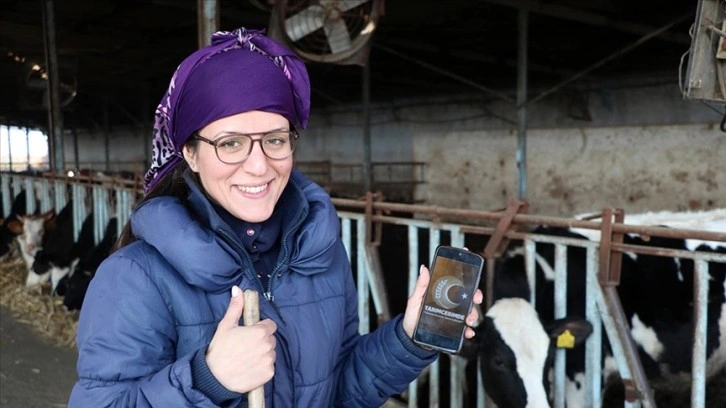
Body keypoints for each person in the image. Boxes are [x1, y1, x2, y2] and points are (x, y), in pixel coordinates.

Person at [68, 27, 483, 407]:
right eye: (231, 143)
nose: (259, 166)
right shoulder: (134, 276)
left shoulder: (320, 253)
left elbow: (337, 391)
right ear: (190, 154)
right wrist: (206, 379)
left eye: (274, 140)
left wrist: (408, 339)